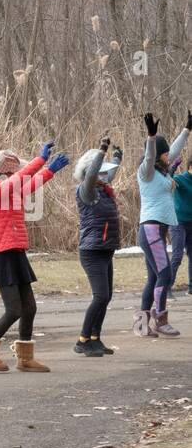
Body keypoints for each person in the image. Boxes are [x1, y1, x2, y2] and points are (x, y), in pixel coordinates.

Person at [0, 140, 69, 372]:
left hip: (16, 252)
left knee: (29, 308)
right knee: (14, 309)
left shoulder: (8, 188)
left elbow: (29, 185)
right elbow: (20, 180)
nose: (18, 174)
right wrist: (41, 160)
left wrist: (49, 171)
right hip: (2, 255)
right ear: (5, 171)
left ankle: (25, 358)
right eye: (14, 171)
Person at [135, 111, 188, 337]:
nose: (169, 156)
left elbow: (174, 150)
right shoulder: (146, 172)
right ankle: (160, 319)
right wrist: (150, 136)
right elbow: (149, 157)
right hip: (151, 228)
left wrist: (187, 129)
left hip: (158, 228)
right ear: (157, 155)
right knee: (164, 275)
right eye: (164, 154)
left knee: (154, 277)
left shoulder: (163, 172)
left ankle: (141, 325)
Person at [74, 138, 123, 356]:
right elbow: (94, 173)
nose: (104, 175)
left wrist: (117, 157)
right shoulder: (87, 191)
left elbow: (108, 174)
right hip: (92, 251)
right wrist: (101, 152)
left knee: (107, 296)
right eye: (100, 171)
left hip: (105, 249)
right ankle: (82, 340)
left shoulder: (103, 189)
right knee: (100, 296)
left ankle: (95, 338)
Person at [173, 158, 192, 296]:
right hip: (178, 222)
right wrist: (173, 166)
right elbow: (167, 178)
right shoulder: (180, 179)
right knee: (177, 255)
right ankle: (166, 287)